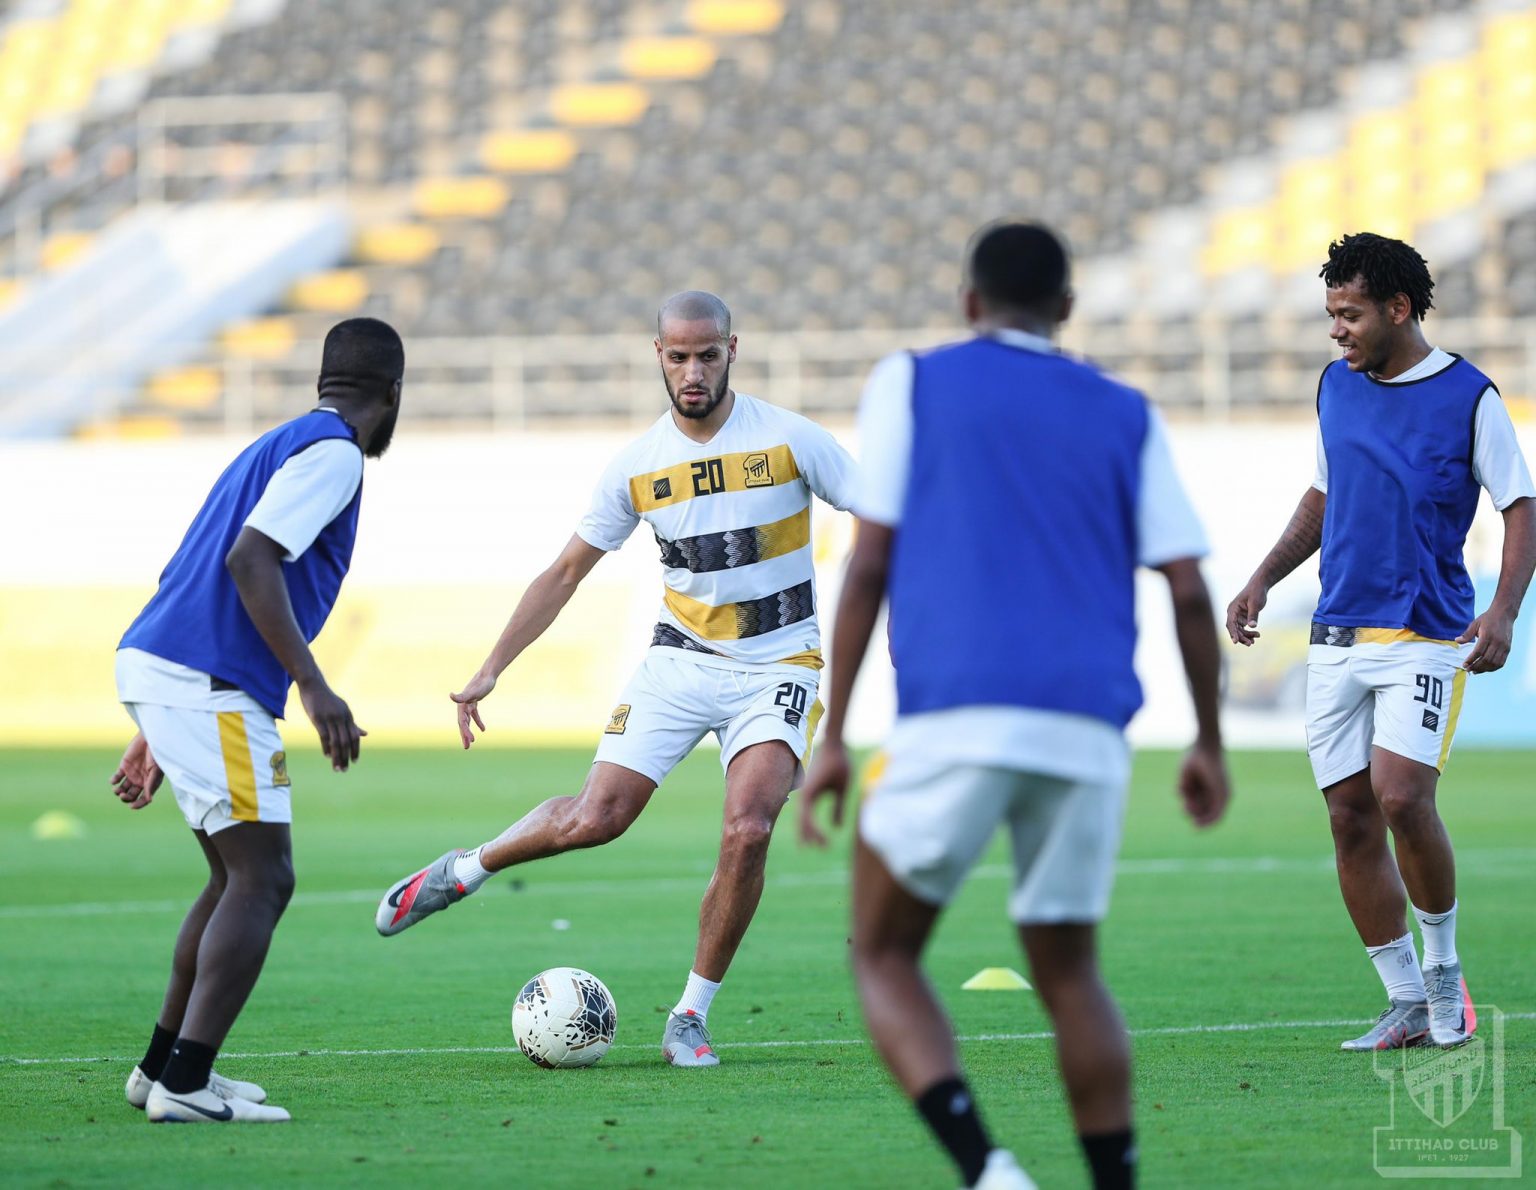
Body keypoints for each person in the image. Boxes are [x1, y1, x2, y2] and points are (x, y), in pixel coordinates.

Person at [798, 222, 1229, 1190]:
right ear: (1067, 308)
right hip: (1087, 726)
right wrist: (1208, 739)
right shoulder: (1126, 410)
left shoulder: (912, 381)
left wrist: (833, 737)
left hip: (957, 713)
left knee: (883, 951)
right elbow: (1189, 591)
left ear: (968, 302)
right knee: (1071, 971)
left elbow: (869, 563)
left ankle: (989, 1170)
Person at [375, 291, 856, 1068]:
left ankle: (689, 1016)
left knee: (749, 828)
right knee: (595, 818)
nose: (693, 371)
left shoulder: (794, 440)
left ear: (733, 351)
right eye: (679, 356)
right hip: (678, 662)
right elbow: (566, 571)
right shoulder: (637, 465)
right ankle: (465, 870)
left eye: (707, 355)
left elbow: (885, 514)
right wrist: (491, 668)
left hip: (779, 665)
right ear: (658, 356)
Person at [1226, 232, 1535, 1052]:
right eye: (1331, 314)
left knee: (1401, 797)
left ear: (1399, 309)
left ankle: (1444, 978)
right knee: (1350, 820)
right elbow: (1324, 494)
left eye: (1350, 314)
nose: (1337, 330)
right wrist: (1264, 576)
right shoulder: (1336, 386)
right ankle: (1403, 1000)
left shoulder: (1469, 395)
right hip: (1336, 635)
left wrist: (1503, 610)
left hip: (1425, 633)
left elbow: (1520, 505)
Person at [110, 317, 405, 1123]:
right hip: (209, 682)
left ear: (323, 382)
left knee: (231, 875)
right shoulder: (336, 454)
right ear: (393, 392)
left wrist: (159, 722)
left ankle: (161, 1071)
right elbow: (248, 559)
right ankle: (186, 1085)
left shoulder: (274, 444)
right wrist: (315, 686)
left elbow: (196, 565)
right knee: (263, 877)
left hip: (177, 670)